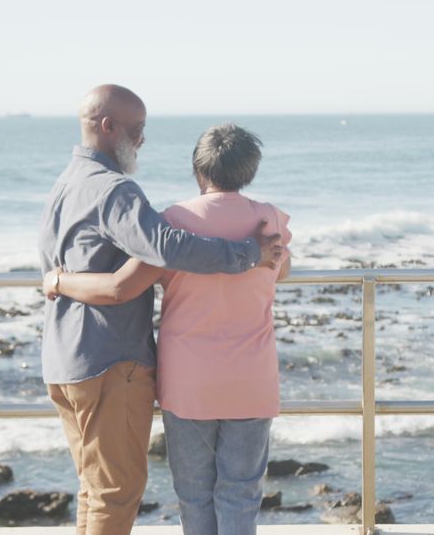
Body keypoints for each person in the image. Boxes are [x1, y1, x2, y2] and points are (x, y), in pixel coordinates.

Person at [38, 86, 283, 535]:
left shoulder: (65, 183)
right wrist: (247, 254)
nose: (143, 140)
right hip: (110, 360)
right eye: (138, 130)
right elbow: (161, 251)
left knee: (96, 488)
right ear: (107, 127)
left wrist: (57, 281)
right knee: (117, 491)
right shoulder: (113, 189)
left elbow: (99, 269)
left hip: (65, 355)